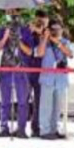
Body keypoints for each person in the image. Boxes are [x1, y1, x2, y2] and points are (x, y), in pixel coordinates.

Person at [0, 8, 33, 138]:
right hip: (5, 67)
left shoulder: (25, 29)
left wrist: (18, 40)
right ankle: (4, 127)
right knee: (5, 100)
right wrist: (5, 36)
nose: (11, 15)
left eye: (13, 12)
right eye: (8, 12)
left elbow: (29, 51)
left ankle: (21, 128)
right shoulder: (2, 28)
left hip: (21, 68)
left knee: (22, 101)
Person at [37, 18, 73, 140]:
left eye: (58, 28)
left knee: (57, 106)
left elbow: (69, 54)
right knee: (46, 105)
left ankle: (54, 129)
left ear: (62, 29)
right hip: (47, 77)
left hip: (61, 78)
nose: (56, 31)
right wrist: (46, 38)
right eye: (53, 29)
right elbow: (40, 53)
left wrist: (56, 41)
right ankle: (44, 130)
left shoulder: (65, 42)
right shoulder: (44, 41)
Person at [28, 9, 49, 137]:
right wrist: (33, 31)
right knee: (23, 100)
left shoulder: (48, 32)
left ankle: (36, 127)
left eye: (43, 19)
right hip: (28, 69)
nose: (40, 22)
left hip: (43, 71)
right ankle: (20, 127)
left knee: (39, 101)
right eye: (38, 19)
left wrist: (43, 34)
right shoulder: (29, 31)